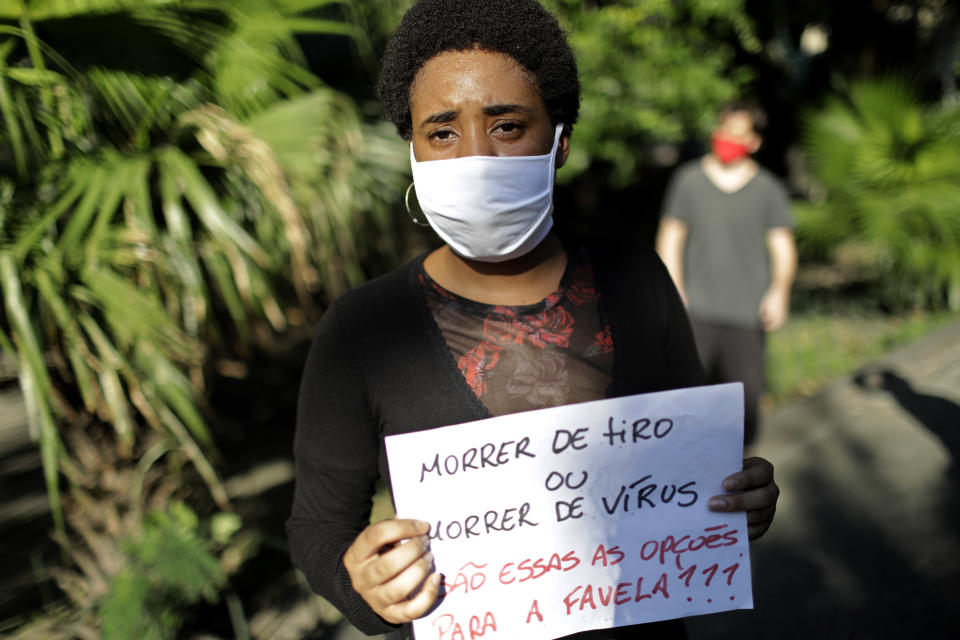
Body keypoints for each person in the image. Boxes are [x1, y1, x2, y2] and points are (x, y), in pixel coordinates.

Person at [287, 2, 780, 639]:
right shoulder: (362, 330)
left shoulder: (637, 279)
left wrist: (742, 500)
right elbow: (318, 526)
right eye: (441, 132)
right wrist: (359, 583)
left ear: (560, 139)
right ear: (412, 150)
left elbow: (695, 467)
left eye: (508, 125)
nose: (475, 156)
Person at [656, 104, 797, 447]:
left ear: (754, 141)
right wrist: (675, 291)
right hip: (695, 311)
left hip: (746, 314)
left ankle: (740, 476)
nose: (728, 138)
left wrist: (779, 293)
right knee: (686, 400)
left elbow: (783, 247)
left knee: (744, 406)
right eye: (725, 129)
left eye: (739, 132)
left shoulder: (768, 189)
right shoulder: (688, 180)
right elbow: (671, 236)